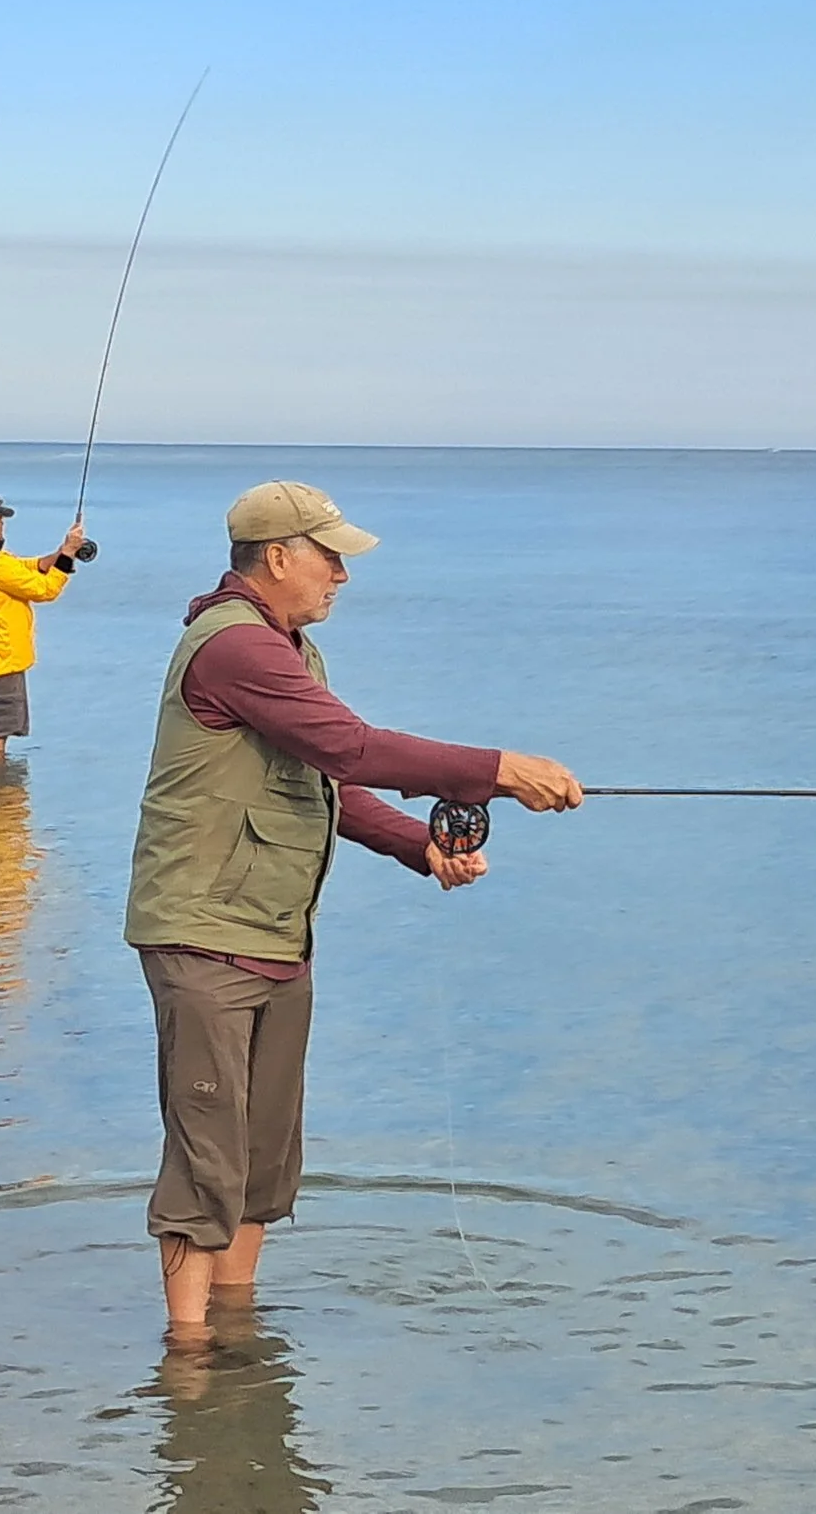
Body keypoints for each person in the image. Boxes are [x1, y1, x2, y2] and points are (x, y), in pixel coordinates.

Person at [123, 479, 582, 1340]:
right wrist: (498, 768)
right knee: (206, 1158)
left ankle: (237, 1330)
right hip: (204, 938)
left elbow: (327, 777)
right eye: (330, 556)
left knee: (263, 1158)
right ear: (277, 557)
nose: (342, 574)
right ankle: (188, 1371)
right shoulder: (232, 648)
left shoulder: (290, 647)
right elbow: (354, 745)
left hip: (275, 935)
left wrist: (420, 845)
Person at [0, 493, 86, 761]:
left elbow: (20, 567)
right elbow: (45, 590)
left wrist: (59, 554)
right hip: (3, 662)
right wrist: (67, 559)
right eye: (0, 519)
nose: (2, 525)